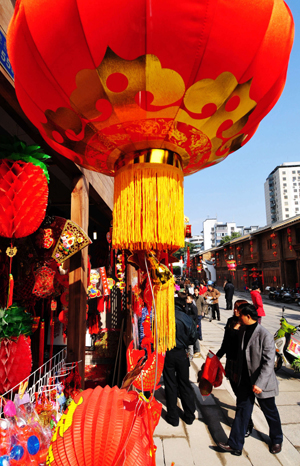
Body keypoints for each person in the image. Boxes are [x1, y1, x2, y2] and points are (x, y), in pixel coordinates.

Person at [218, 303, 283, 456]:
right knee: (242, 411)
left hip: (262, 383)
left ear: (248, 317)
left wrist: (259, 383)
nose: (238, 317)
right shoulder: (242, 330)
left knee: (270, 412)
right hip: (245, 381)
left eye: (240, 315)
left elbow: (269, 363)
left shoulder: (264, 335)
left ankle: (277, 439)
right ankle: (235, 444)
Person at [216, 299, 253, 437]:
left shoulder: (248, 324)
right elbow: (225, 342)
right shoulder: (231, 321)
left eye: (238, 308)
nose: (235, 310)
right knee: (236, 391)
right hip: (231, 362)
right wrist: (218, 356)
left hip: (242, 364)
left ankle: (248, 423)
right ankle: (243, 418)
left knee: (242, 396)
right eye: (235, 308)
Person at [163, 297, 197, 427]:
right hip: (182, 353)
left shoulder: (165, 318)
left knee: (170, 384)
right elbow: (193, 338)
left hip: (168, 353)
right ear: (183, 306)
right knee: (184, 383)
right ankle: (189, 415)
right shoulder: (187, 318)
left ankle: (173, 417)